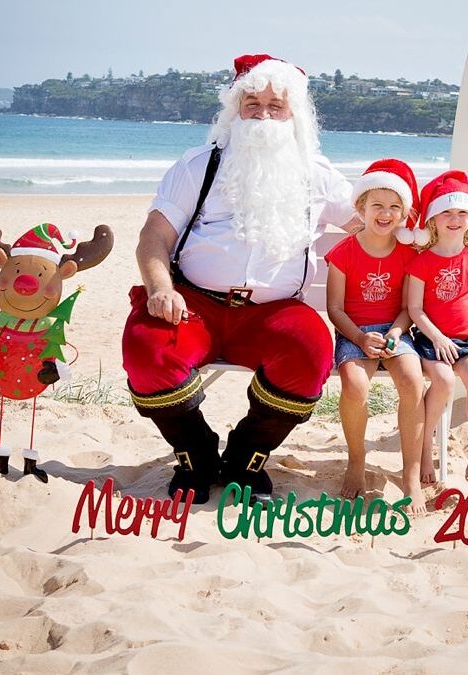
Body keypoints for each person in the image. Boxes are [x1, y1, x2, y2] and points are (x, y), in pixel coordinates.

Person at [122, 54, 359, 505]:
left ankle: (247, 455)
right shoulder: (198, 166)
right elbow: (153, 237)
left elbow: (371, 223)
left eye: (276, 106)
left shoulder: (319, 176)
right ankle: (196, 453)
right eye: (253, 103)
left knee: (311, 354)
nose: (264, 115)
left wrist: (430, 224)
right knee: (146, 348)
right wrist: (159, 288)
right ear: (235, 109)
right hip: (196, 305)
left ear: (296, 116)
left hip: (275, 313)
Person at [325, 159, 427, 515]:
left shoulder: (408, 254)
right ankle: (356, 460)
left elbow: (405, 307)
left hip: (396, 331)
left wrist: (397, 332)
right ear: (361, 208)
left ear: (404, 213)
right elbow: (335, 309)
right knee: (354, 385)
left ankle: (411, 475)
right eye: (377, 206)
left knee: (413, 382)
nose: (385, 213)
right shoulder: (343, 253)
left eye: (394, 207)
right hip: (354, 331)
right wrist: (360, 337)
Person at [406, 170, 468, 483]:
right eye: (446, 212)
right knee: (443, 381)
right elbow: (414, 309)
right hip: (433, 340)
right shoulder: (422, 261)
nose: (454, 219)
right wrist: (438, 337)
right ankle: (425, 449)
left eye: (461, 213)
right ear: (433, 220)